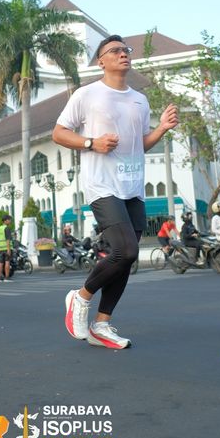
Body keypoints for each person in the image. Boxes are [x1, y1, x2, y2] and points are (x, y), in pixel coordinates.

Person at [53, 34, 179, 349]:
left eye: (126, 49)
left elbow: (140, 145)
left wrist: (161, 129)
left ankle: (102, 324)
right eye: (115, 50)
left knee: (125, 259)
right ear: (102, 61)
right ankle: (80, 297)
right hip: (102, 184)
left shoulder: (140, 100)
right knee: (126, 251)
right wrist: (91, 143)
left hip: (133, 187)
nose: (123, 53)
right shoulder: (87, 94)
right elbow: (59, 133)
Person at [0, 214, 13, 282]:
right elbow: (8, 240)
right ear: (5, 221)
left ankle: (0, 278)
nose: (10, 221)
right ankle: (7, 278)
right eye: (9, 220)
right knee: (7, 262)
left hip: (1, 249)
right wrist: (9, 249)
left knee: (1, 262)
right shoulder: (7, 228)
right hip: (6, 248)